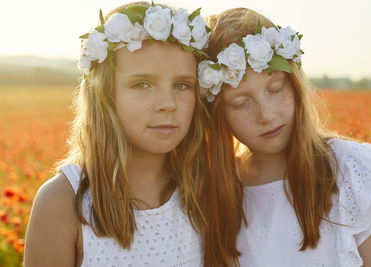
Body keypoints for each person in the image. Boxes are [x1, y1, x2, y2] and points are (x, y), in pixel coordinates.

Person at [24, 2, 243, 266]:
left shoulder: (201, 191)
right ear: (104, 94)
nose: (167, 103)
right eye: (142, 84)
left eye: (182, 85)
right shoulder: (63, 202)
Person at [198, 7, 371, 267]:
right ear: (217, 115)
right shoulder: (213, 189)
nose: (266, 115)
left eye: (276, 89)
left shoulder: (352, 173)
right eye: (240, 103)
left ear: (295, 86)